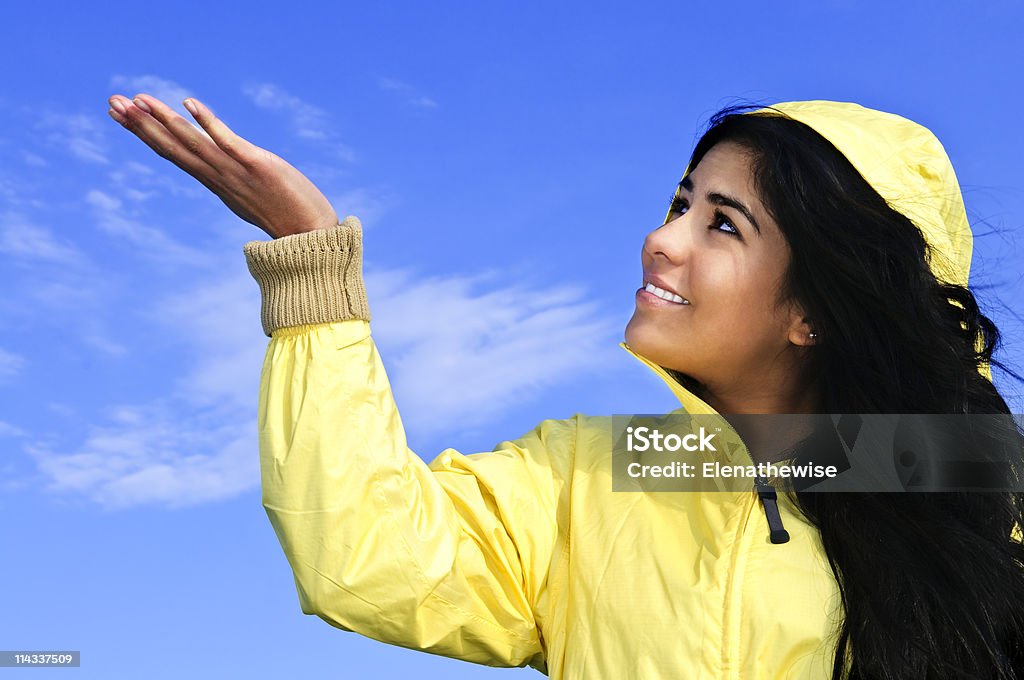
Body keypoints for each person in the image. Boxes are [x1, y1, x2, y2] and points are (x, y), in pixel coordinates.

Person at [107, 93, 1024, 679]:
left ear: (815, 313)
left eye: (724, 225)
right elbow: (368, 557)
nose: (662, 240)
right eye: (679, 203)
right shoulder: (594, 472)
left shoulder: (979, 496)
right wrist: (313, 268)